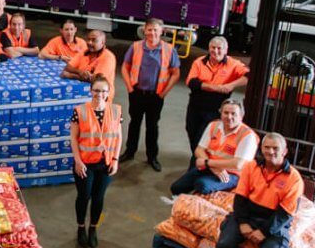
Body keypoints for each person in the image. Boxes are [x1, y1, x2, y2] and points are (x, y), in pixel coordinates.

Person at [120, 18, 181, 172]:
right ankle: (130, 151)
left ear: (161, 31)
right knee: (134, 123)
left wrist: (163, 93)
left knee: (152, 126)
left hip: (156, 96)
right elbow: (125, 67)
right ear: (144, 30)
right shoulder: (135, 47)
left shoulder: (169, 50)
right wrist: (129, 88)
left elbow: (175, 73)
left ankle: (152, 157)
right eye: (149, 29)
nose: (152, 33)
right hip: (137, 93)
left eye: (156, 30)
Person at [69, 76, 122, 248]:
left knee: (99, 197)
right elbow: (73, 138)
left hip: (105, 162)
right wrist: (77, 161)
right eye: (96, 90)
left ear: (108, 93)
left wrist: (115, 159)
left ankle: (93, 228)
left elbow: (118, 137)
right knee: (84, 196)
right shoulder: (80, 111)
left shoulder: (115, 111)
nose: (100, 94)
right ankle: (80, 227)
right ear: (90, 91)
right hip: (85, 163)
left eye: (103, 91)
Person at [170, 100, 258, 196]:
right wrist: (212, 167)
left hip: (232, 174)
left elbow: (238, 165)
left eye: (233, 114)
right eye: (226, 113)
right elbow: (199, 150)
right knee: (176, 188)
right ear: (220, 113)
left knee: (202, 185)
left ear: (241, 116)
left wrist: (207, 163)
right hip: (210, 168)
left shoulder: (248, 135)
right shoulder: (214, 125)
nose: (229, 117)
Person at [185, 36, 249, 147]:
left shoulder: (233, 64)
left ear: (226, 50)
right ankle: (198, 155)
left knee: (202, 135)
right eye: (213, 48)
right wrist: (217, 88)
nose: (216, 51)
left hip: (216, 107)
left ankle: (197, 161)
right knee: (191, 131)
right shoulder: (199, 62)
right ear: (209, 49)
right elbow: (191, 82)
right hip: (195, 104)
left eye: (219, 48)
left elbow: (249, 76)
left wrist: (231, 85)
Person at [63, 29, 118, 99]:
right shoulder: (84, 52)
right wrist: (80, 72)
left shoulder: (108, 57)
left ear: (102, 42)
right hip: (82, 92)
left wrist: (71, 75)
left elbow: (97, 80)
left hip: (101, 96)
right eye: (88, 39)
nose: (89, 42)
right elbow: (68, 67)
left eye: (94, 40)